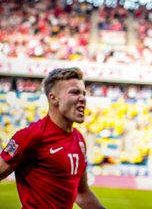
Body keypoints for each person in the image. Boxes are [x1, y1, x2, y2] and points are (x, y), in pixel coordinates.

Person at [0, 67, 105, 209]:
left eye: (84, 93)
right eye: (75, 92)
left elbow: (82, 193)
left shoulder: (79, 140)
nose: (83, 98)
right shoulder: (32, 135)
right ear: (53, 98)